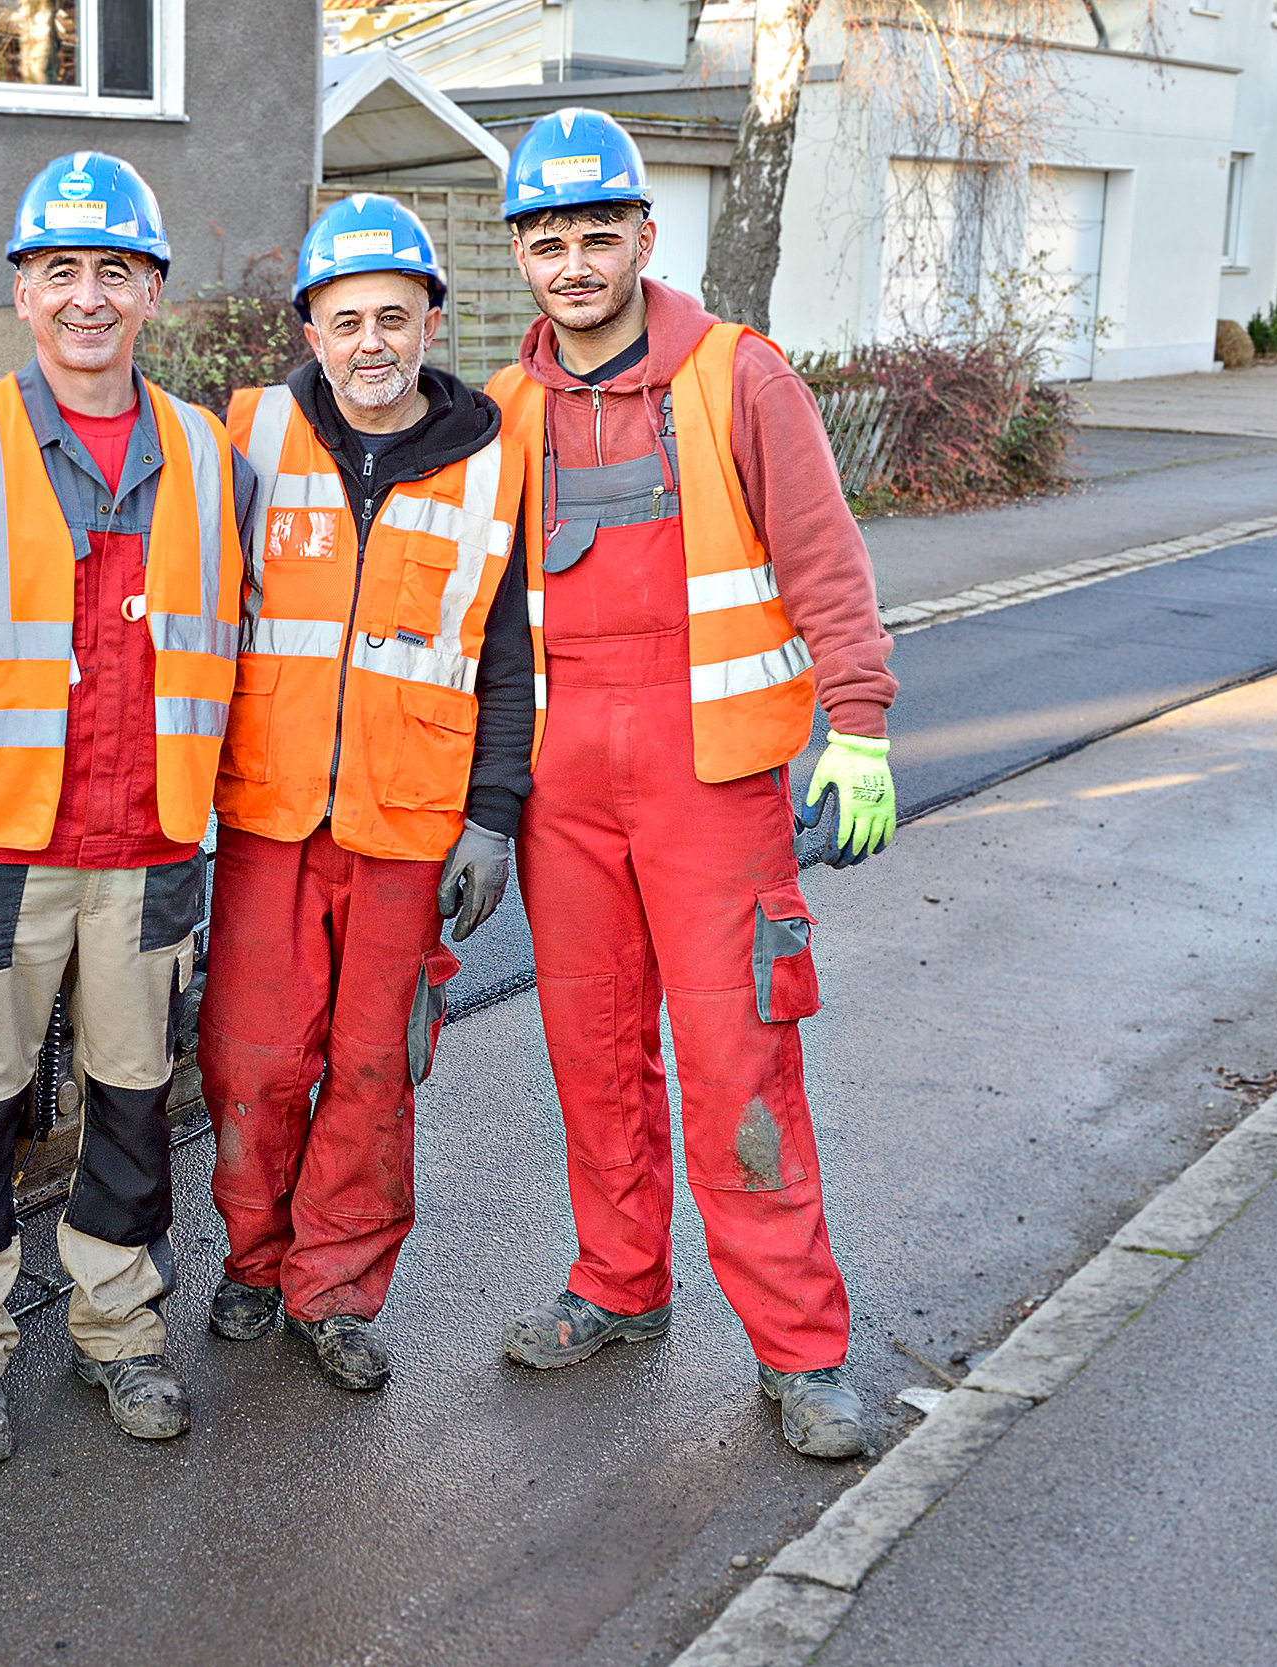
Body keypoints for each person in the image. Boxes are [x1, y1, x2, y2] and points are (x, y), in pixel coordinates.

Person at [485, 108, 898, 1459]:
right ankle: (619, 1281)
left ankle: (801, 1350)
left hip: (713, 786)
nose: (576, 261)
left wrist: (859, 723)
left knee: (742, 1065)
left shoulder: (738, 377)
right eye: (549, 241)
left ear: (644, 238)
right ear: (523, 258)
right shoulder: (501, 412)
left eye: (599, 234)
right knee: (593, 1057)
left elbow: (825, 559)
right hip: (565, 796)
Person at [0, 151, 249, 1464]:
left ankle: (118, 1324)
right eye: (61, 272)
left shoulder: (212, 456)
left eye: (114, 271)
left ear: (150, 289)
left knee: (136, 1100)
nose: (88, 297)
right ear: (24, 292)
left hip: (150, 847)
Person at [195, 195, 532, 1392]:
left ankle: (331, 1289)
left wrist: (493, 816)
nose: (372, 341)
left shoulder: (497, 461)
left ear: (432, 320)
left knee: (375, 1067)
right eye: (346, 320)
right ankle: (251, 1258)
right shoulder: (246, 437)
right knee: (249, 1058)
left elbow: (505, 657)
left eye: (395, 315)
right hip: (267, 816)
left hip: (407, 821)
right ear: (311, 328)